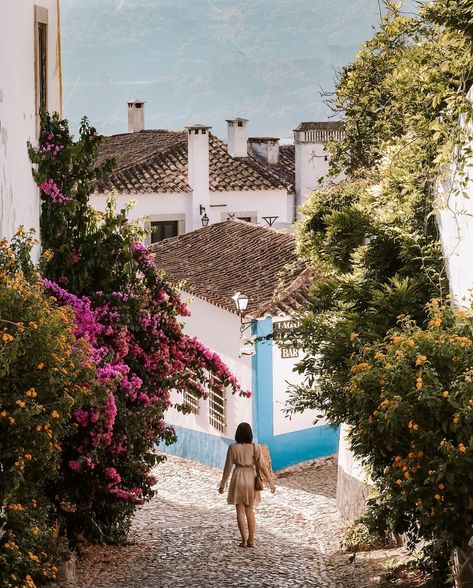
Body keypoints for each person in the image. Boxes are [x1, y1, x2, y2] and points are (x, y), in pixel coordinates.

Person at [218, 422, 275, 548]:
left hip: (238, 477)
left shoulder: (233, 447)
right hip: (251, 477)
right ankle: (251, 540)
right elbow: (262, 466)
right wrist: (270, 482)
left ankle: (243, 541)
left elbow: (227, 466)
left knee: (240, 511)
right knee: (250, 511)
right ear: (250, 434)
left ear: (238, 434)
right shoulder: (256, 448)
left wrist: (223, 483)